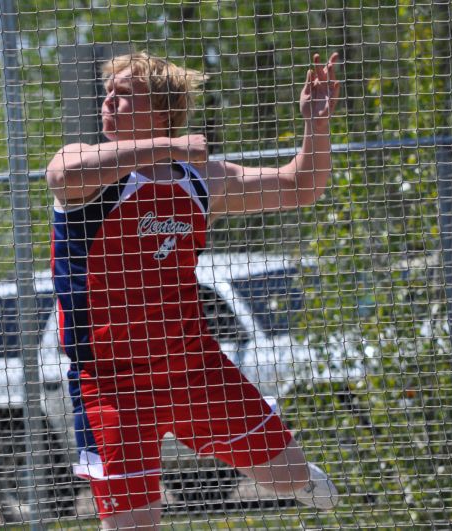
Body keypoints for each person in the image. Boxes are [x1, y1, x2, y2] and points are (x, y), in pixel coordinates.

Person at [46, 50, 341, 529]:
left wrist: (316, 124)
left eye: (123, 96)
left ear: (162, 110)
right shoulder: (85, 165)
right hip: (114, 387)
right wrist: (169, 148)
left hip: (193, 367)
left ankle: (299, 478)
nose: (108, 104)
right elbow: (60, 176)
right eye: (107, 95)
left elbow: (299, 185)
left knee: (288, 476)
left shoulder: (200, 180)